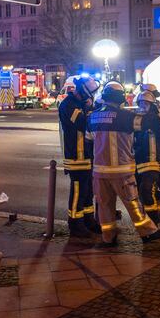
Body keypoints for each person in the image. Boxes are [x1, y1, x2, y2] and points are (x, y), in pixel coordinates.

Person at [87, 81, 160, 247]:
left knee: (104, 206)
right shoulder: (124, 117)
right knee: (133, 204)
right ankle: (149, 233)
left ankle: (108, 238)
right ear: (120, 98)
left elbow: (89, 142)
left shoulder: (92, 117)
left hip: (99, 172)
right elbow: (149, 123)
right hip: (121, 171)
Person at [58, 75, 101, 237]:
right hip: (76, 156)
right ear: (83, 91)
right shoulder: (68, 105)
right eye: (90, 93)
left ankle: (88, 220)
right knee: (78, 190)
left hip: (88, 155)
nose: (91, 97)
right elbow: (82, 122)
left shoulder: (81, 103)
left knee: (88, 190)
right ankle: (75, 224)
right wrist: (90, 108)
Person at [133, 90, 160, 228]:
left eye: (146, 103)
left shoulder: (156, 119)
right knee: (143, 194)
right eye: (141, 103)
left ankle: (154, 222)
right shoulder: (136, 119)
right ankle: (150, 222)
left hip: (153, 162)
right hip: (139, 162)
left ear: (152, 105)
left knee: (147, 191)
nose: (143, 106)